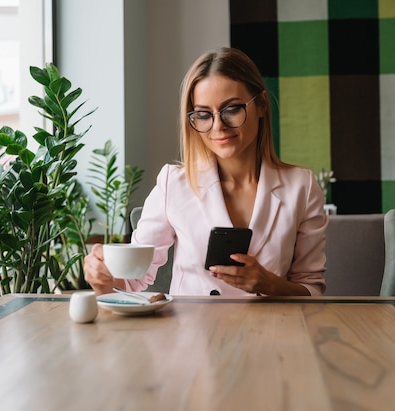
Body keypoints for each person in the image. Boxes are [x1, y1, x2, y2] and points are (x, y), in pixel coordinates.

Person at [84, 47, 327, 297]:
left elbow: (313, 289)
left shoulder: (302, 187)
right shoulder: (173, 184)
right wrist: (102, 277)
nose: (218, 126)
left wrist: (269, 284)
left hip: (270, 331)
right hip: (192, 332)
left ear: (262, 104)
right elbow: (134, 279)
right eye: (203, 114)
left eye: (232, 109)